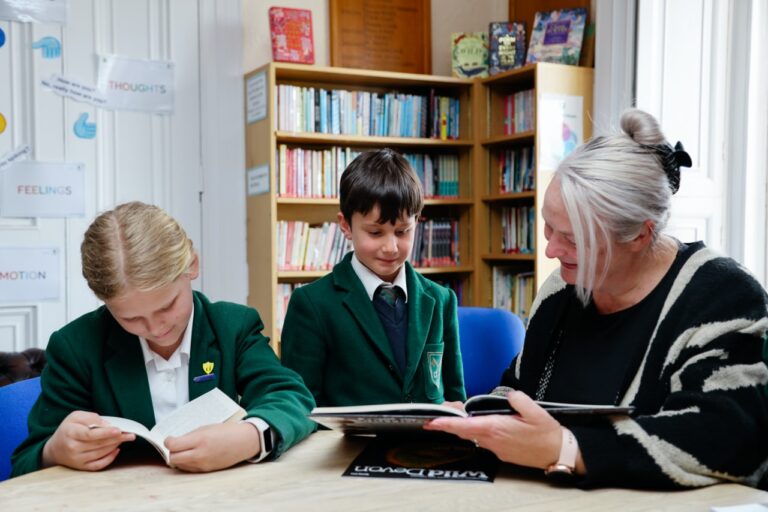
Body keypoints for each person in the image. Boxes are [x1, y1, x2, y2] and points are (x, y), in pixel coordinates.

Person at [425, 109, 768, 488]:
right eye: (549, 227)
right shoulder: (562, 289)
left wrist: (567, 449)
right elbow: (520, 387)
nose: (552, 250)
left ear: (640, 235)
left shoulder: (722, 297)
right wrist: (478, 417)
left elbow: (726, 438)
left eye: (573, 239)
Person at [11, 202, 315, 476]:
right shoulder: (76, 345)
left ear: (192, 265)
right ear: (103, 301)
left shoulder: (232, 326)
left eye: (167, 306)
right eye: (130, 318)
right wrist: (55, 451)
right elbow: (23, 464)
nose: (156, 328)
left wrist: (250, 437)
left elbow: (292, 398)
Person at [281, 149, 466, 406]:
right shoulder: (312, 305)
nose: (390, 246)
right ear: (345, 225)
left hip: (427, 445)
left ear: (417, 223)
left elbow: (455, 399)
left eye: (402, 231)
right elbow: (299, 406)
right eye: (375, 232)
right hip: (351, 446)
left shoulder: (441, 299)